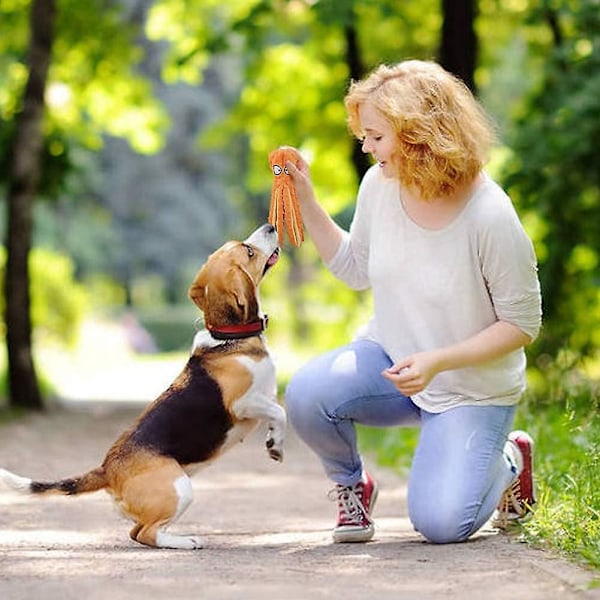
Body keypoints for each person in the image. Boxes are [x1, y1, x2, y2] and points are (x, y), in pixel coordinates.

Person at [283, 60, 542, 544]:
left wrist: (439, 360)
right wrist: (306, 198)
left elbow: (523, 324)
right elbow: (355, 269)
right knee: (306, 395)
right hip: (393, 360)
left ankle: (509, 459)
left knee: (442, 525)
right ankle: (352, 488)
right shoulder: (380, 186)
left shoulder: (490, 215)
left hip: (470, 387)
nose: (365, 147)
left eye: (375, 136)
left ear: (418, 134)